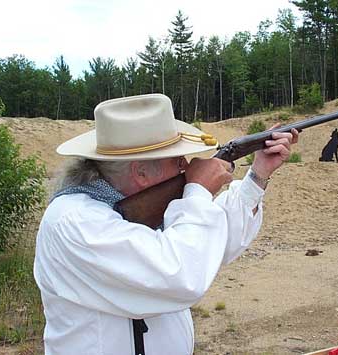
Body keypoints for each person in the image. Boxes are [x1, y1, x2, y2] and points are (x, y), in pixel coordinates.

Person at [33, 93, 299, 355]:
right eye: (177, 160)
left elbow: (210, 244)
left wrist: (259, 173)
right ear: (140, 172)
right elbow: (182, 276)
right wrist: (197, 191)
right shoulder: (73, 221)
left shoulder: (132, 205)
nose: (186, 165)